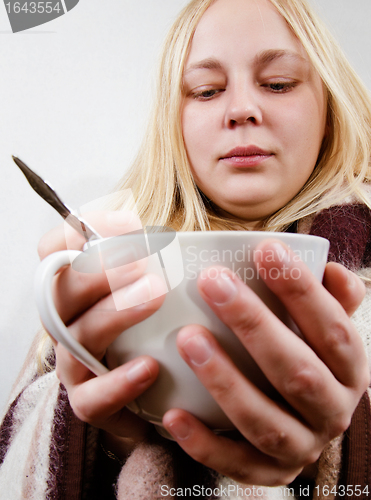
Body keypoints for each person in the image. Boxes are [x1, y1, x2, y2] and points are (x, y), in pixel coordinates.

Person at [1, 0, 371, 498]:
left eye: (278, 83)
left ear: (329, 108)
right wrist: (112, 434)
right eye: (207, 90)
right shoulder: (107, 267)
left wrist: (332, 460)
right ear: (173, 124)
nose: (242, 109)